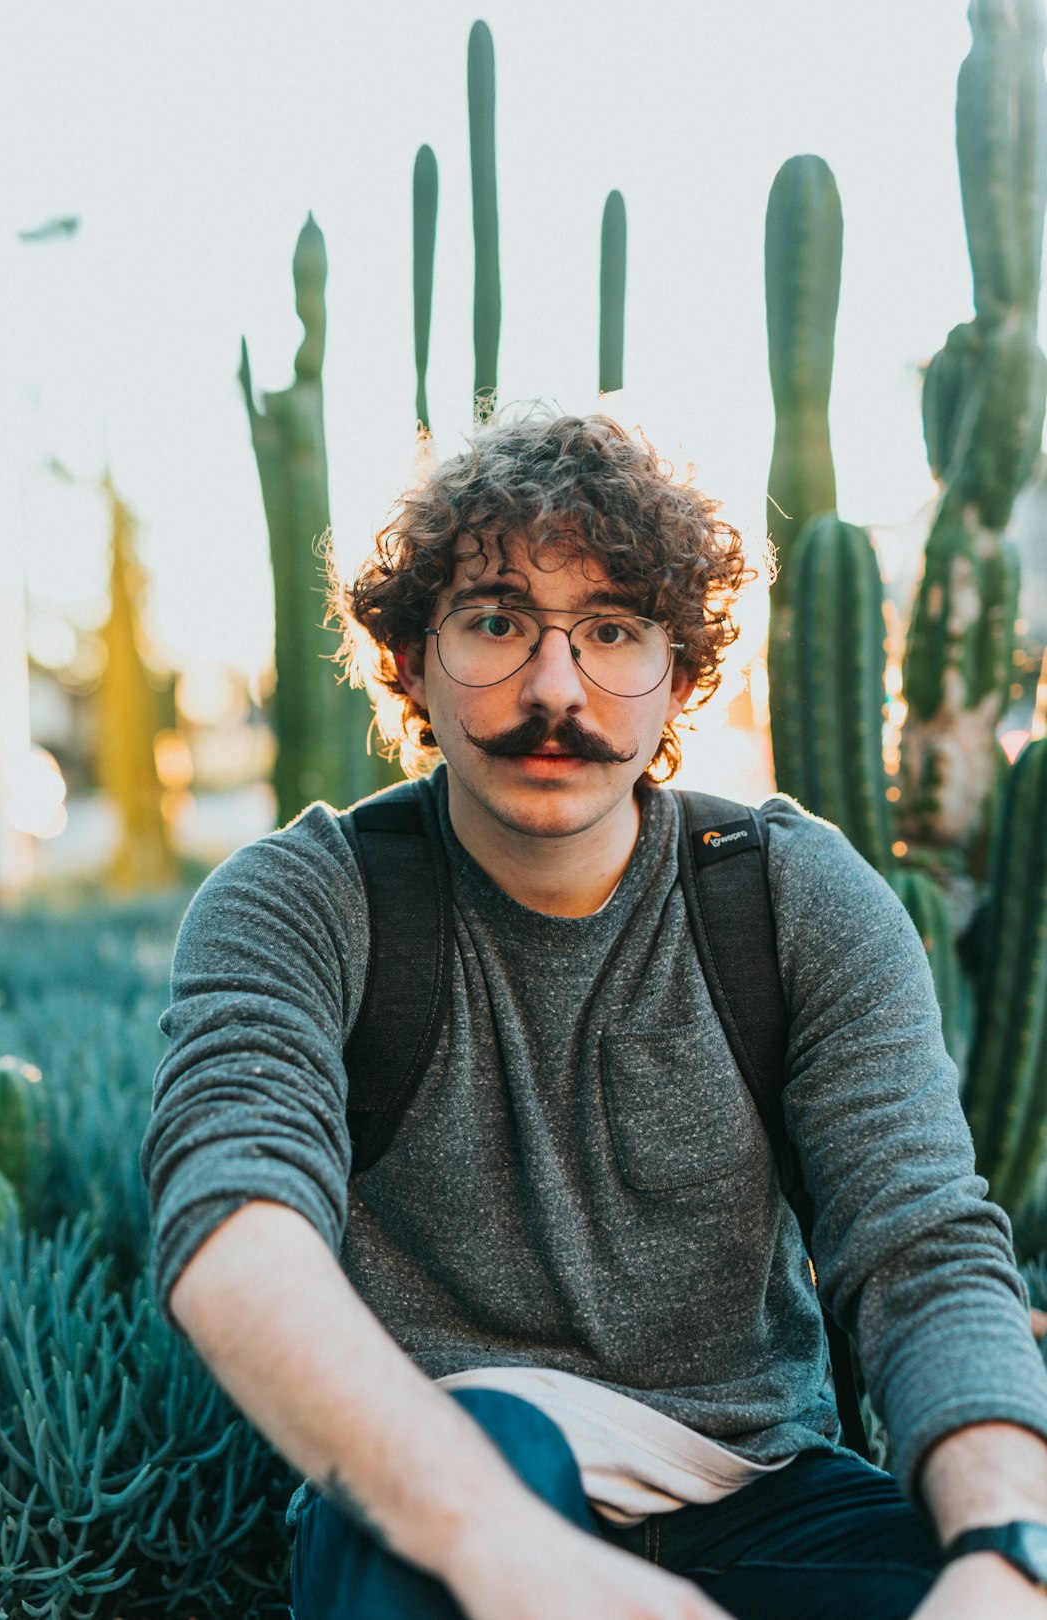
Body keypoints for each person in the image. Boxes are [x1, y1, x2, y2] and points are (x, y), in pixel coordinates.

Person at [143, 412, 1047, 1620]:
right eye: (498, 623)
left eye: (613, 630)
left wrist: (1006, 1546)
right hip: (446, 1495)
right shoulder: (307, 902)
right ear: (411, 657)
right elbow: (234, 1215)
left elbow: (921, 1247)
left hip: (764, 1492)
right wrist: (504, 1549)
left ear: (680, 671)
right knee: (477, 1462)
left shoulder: (790, 899)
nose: (556, 686)